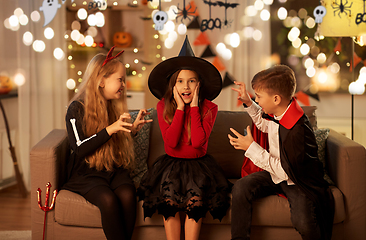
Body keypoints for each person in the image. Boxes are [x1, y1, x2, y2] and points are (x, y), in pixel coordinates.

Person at [138, 36, 231, 240]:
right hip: (171, 165)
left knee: (195, 199)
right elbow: (171, 143)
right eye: (180, 81)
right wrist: (180, 108)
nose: (186, 87)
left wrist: (195, 107)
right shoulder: (163, 106)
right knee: (169, 200)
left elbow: (198, 143)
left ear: (199, 84)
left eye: (191, 81)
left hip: (199, 165)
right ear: (173, 85)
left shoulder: (209, 108)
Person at [228, 65, 334, 240]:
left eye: (259, 97)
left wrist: (251, 148)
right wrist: (248, 102)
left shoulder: (297, 131)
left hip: (296, 180)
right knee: (241, 187)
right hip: (276, 172)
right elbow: (263, 124)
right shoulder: (280, 112)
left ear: (276, 99)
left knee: (303, 222)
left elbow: (286, 171)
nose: (258, 101)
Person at [62, 46, 152, 240]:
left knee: (128, 195)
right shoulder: (76, 108)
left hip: (112, 169)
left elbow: (115, 143)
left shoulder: (113, 104)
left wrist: (132, 130)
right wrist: (110, 129)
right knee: (108, 200)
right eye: (120, 79)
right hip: (86, 173)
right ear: (101, 80)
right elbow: (79, 148)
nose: (123, 85)